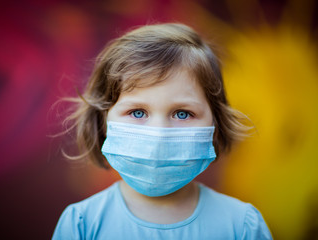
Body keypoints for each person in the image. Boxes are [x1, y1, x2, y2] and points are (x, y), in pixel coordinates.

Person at [52, 23, 273, 239]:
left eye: (182, 113)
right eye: (138, 112)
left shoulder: (242, 226)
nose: (158, 134)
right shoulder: (81, 224)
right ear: (104, 122)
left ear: (215, 126)